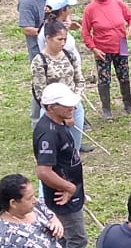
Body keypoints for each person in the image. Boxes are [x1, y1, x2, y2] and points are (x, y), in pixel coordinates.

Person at [34, 81, 89, 248]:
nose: (72, 108)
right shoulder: (48, 134)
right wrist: (70, 188)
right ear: (51, 107)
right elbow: (43, 171)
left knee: (64, 239)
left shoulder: (58, 122)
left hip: (69, 193)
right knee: (77, 240)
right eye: (66, 105)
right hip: (62, 198)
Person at [81, 0, 131, 119]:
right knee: (104, 78)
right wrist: (93, 48)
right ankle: (106, 109)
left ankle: (128, 105)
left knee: (124, 75)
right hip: (102, 49)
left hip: (121, 45)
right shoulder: (90, 9)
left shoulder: (117, 3)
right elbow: (85, 32)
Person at [30, 19, 88, 152]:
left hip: (74, 108)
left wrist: (73, 105)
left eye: (65, 39)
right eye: (59, 39)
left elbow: (79, 80)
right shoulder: (39, 61)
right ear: (48, 38)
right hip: (52, 112)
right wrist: (60, 113)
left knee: (74, 150)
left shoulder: (69, 55)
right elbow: (40, 93)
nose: (63, 43)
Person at [18, 0, 58, 118]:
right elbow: (27, 29)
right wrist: (47, 32)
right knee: (41, 82)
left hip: (55, 45)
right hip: (38, 49)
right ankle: (36, 117)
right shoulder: (27, 0)